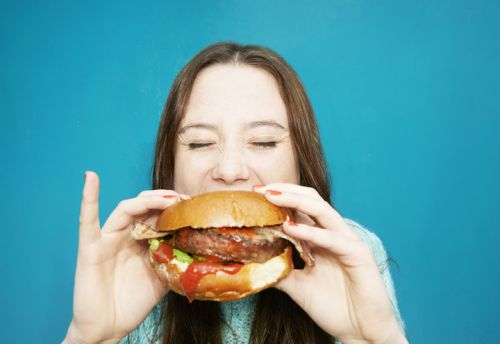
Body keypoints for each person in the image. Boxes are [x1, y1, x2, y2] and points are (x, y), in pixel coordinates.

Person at [63, 42, 407, 344]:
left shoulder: (352, 253)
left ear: (301, 159)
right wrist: (89, 339)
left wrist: (377, 339)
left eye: (263, 141)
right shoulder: (132, 262)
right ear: (170, 164)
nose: (229, 171)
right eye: (199, 142)